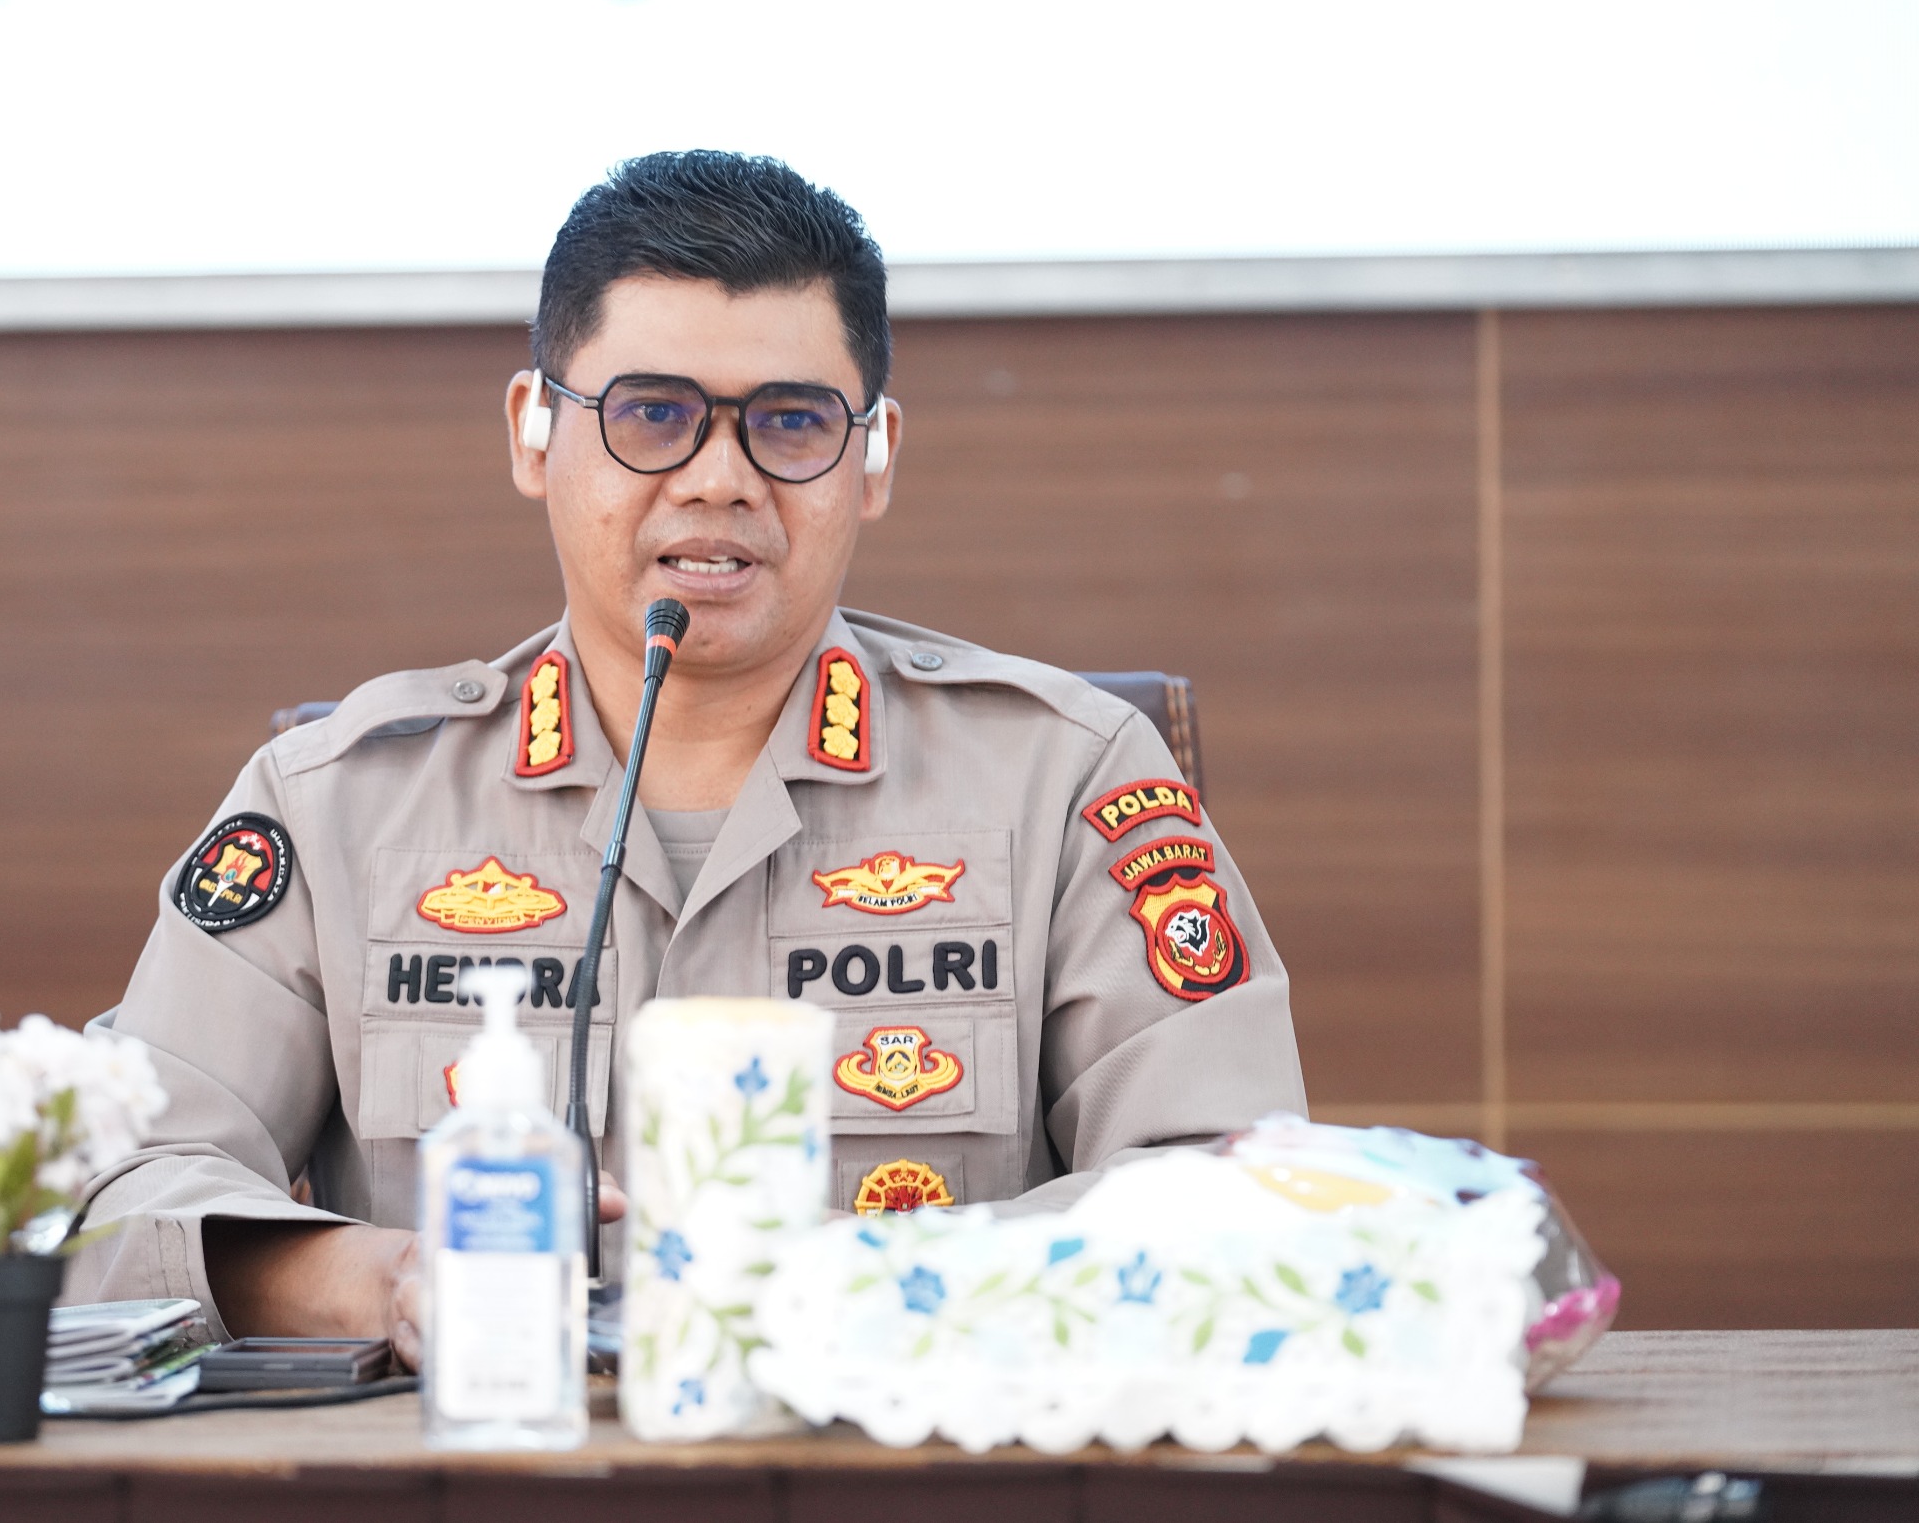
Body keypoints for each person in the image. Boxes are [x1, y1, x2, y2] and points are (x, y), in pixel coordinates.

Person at [68, 151, 1304, 1365]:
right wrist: (387, 1281)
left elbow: (1238, 1186)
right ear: (533, 433)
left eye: (791, 423)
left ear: (872, 455)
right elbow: (108, 1193)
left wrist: (870, 1289)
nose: (719, 480)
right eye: (652, 414)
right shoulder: (340, 802)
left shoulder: (1063, 778)